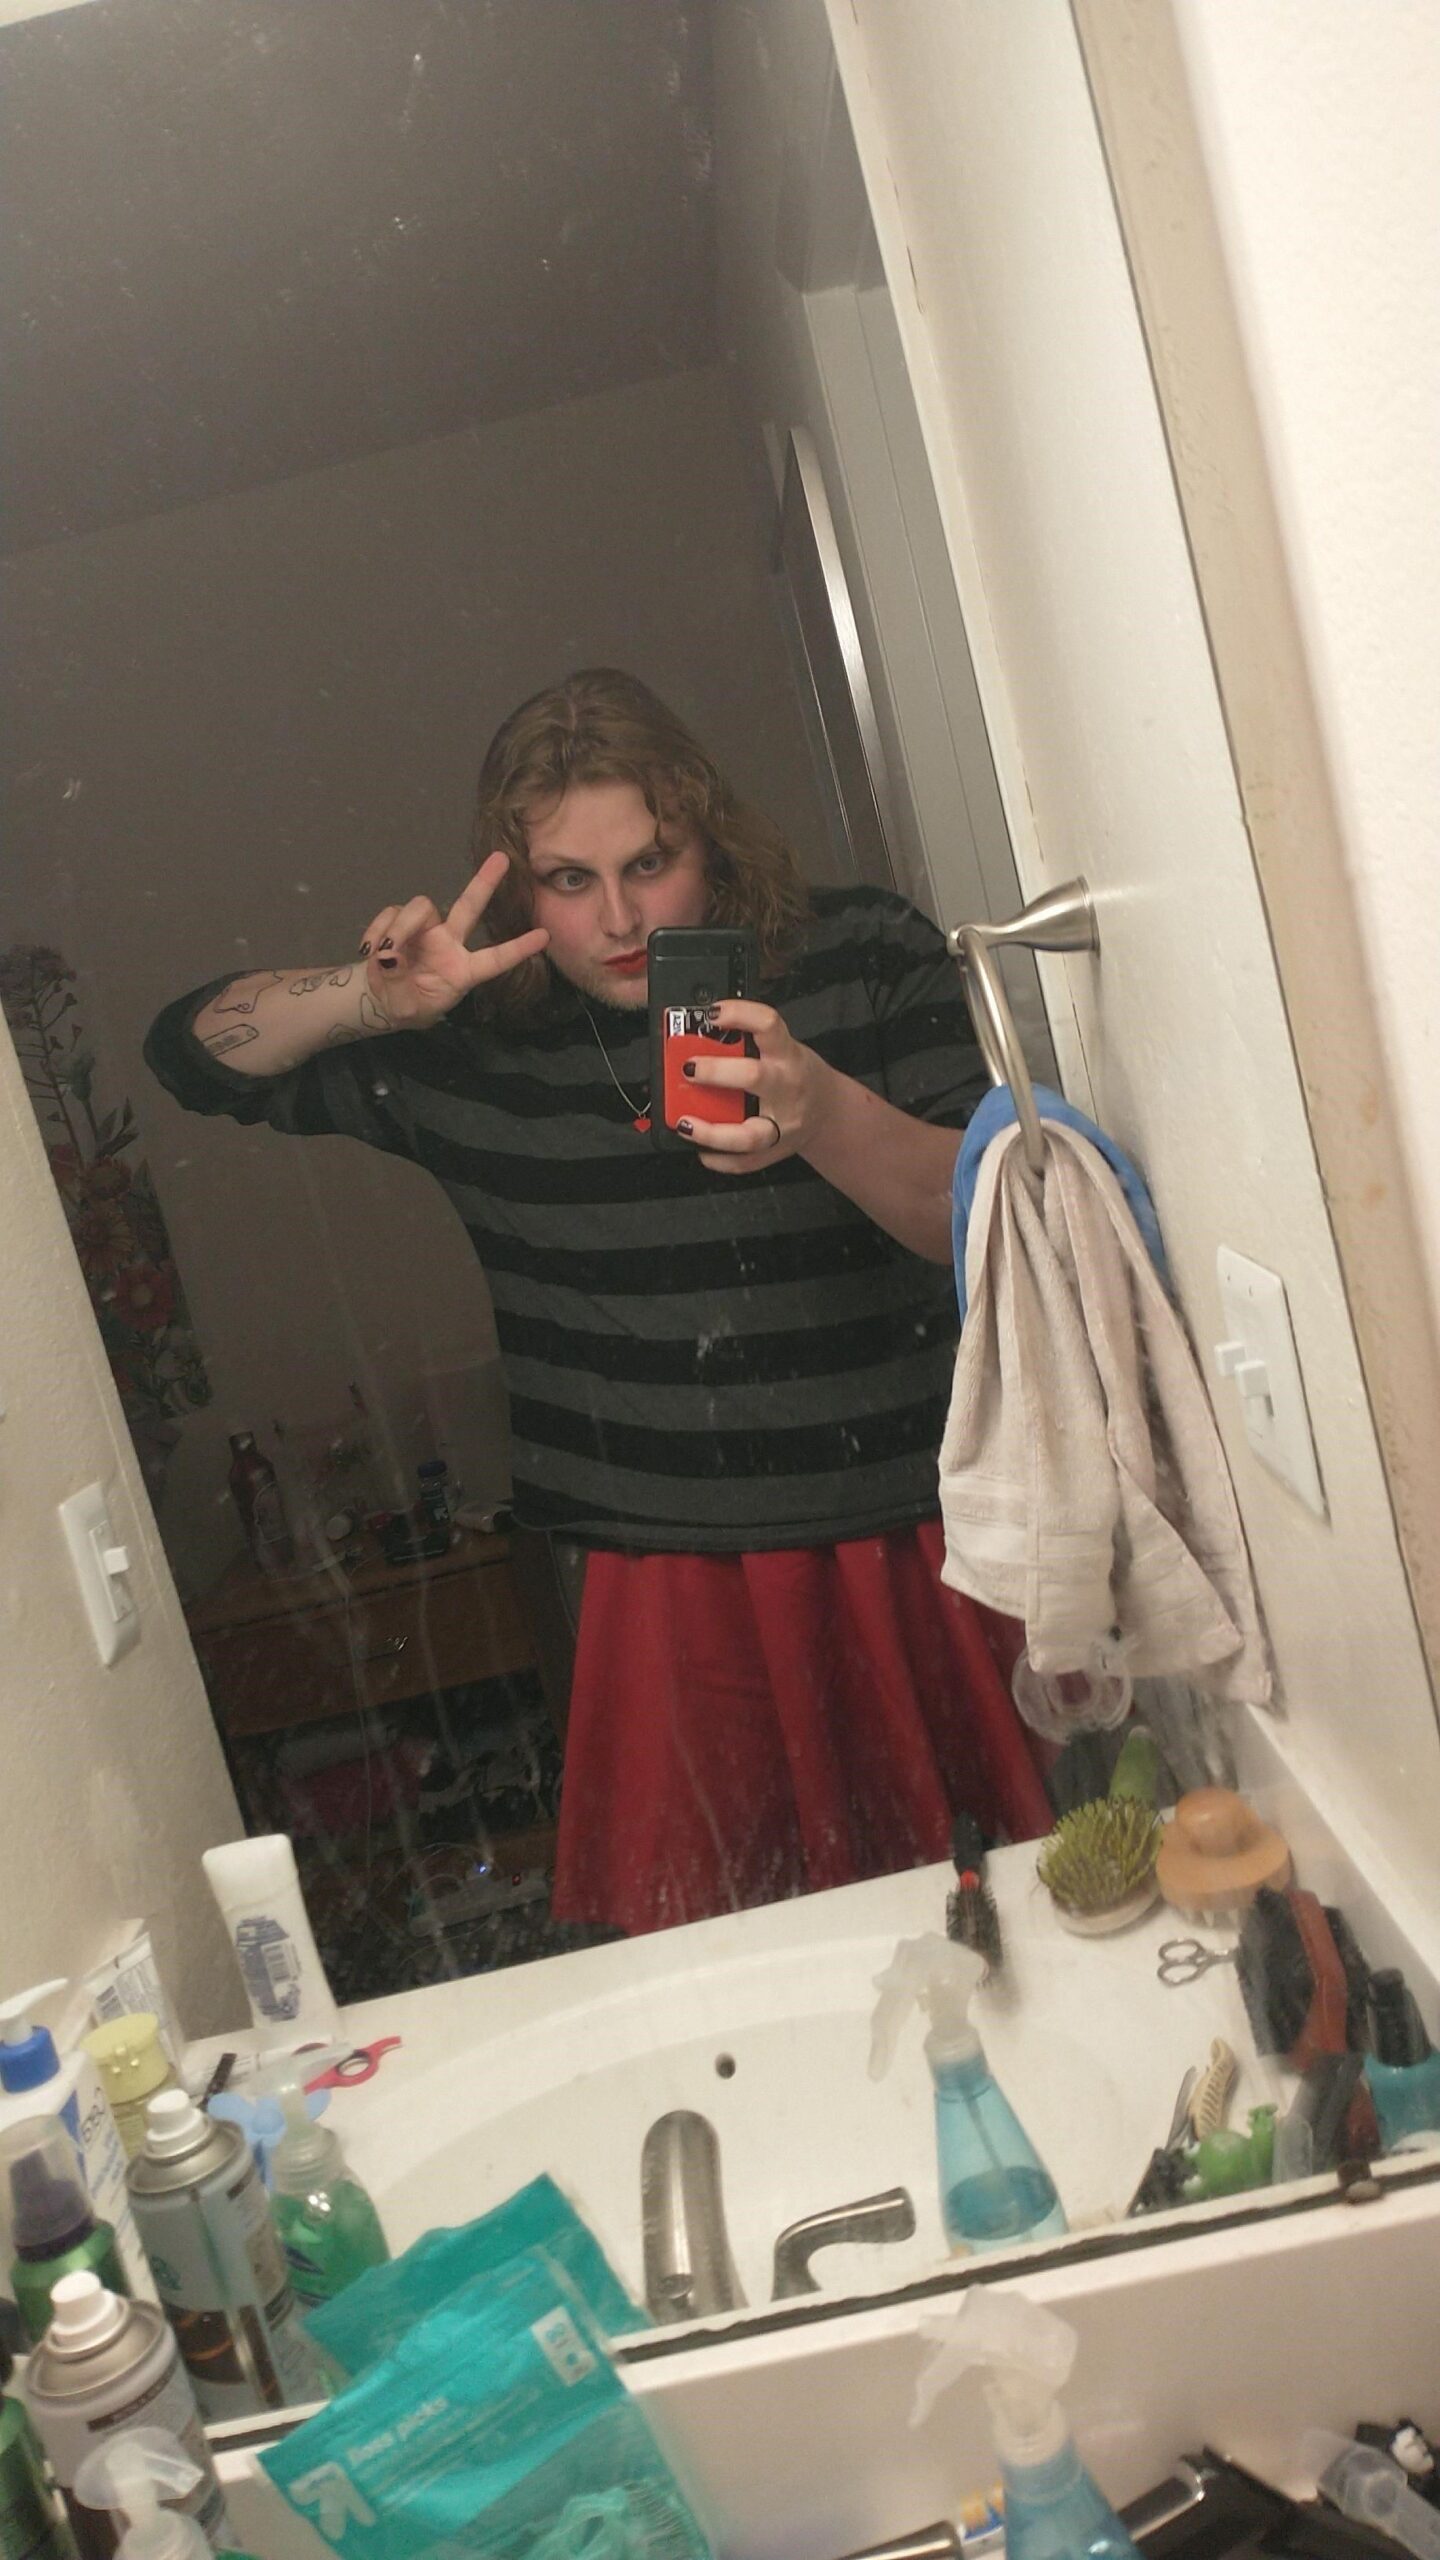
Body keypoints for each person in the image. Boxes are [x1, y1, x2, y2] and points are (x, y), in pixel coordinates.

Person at [146, 668, 1050, 1933]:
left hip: (912, 1531)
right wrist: (370, 998)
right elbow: (188, 1054)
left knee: (999, 1923)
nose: (619, 917)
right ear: (521, 886)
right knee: (712, 1965)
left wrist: (822, 1109)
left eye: (651, 863)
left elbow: (987, 1225)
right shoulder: (468, 1042)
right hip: (651, 1583)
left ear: (709, 838)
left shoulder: (859, 952)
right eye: (570, 879)